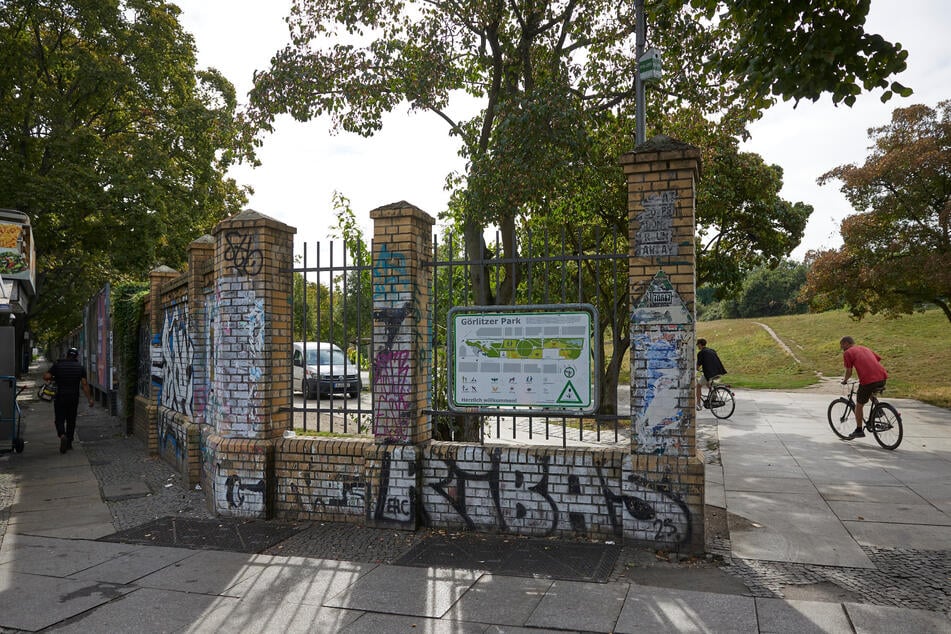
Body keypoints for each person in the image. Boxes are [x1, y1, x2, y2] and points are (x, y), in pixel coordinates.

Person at [43, 347, 94, 453]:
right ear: (76, 356)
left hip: (60, 397)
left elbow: (46, 376)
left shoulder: (58, 365)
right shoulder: (80, 368)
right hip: (73, 398)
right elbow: (84, 384)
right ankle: (69, 443)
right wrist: (90, 399)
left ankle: (62, 435)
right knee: (71, 420)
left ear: (66, 355)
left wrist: (53, 377)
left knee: (59, 418)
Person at [839, 336, 888, 440]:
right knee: (870, 392)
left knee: (859, 405)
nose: (841, 348)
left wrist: (845, 380)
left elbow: (849, 371)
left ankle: (859, 430)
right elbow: (876, 360)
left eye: (842, 345)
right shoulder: (865, 348)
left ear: (847, 343)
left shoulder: (848, 353)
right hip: (882, 377)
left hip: (869, 380)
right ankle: (879, 410)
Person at [696, 338, 727, 411]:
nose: (697, 346)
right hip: (718, 372)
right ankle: (713, 394)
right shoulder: (712, 350)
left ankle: (698, 404)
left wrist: (698, 369)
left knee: (698, 386)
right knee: (708, 383)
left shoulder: (701, 353)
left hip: (709, 373)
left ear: (700, 344)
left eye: (698, 344)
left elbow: (697, 367)